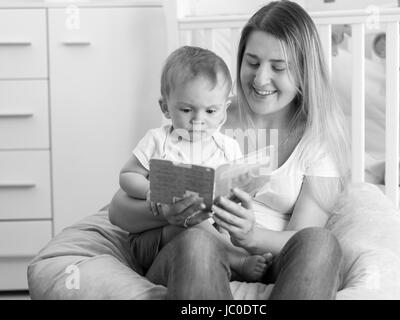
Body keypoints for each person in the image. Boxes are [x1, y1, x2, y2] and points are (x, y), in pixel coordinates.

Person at [109, 0, 350, 299]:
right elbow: (119, 210)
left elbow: (302, 237)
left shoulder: (318, 143)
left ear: (303, 73)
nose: (261, 79)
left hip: (266, 259)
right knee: (199, 241)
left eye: (278, 67)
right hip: (193, 251)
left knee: (322, 242)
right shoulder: (206, 115)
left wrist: (252, 236)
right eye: (252, 62)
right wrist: (168, 212)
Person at [118, 45, 273, 283]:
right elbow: (127, 175)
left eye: (211, 111)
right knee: (189, 224)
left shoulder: (228, 147)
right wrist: (150, 192)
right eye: (187, 109)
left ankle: (225, 259)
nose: (198, 120)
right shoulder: (158, 140)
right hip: (155, 238)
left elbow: (234, 191)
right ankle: (238, 260)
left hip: (210, 231)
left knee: (215, 225)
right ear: (165, 107)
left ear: (224, 110)